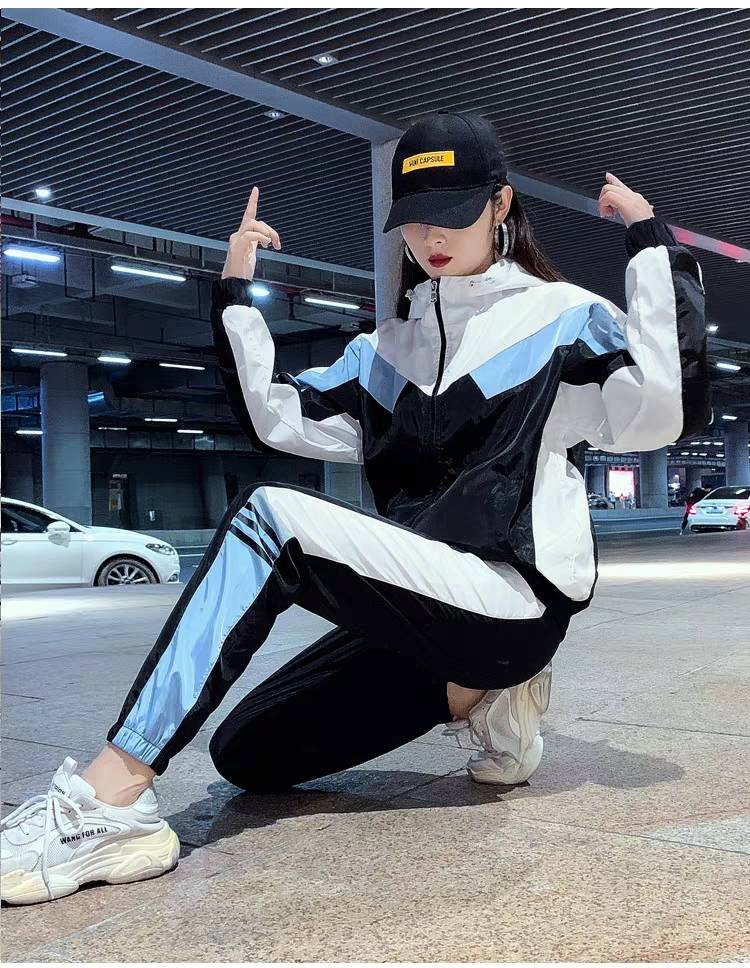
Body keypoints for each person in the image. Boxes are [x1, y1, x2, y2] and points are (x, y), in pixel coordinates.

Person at [0, 111, 711, 905]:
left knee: (273, 517)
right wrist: (235, 293)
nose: (431, 237)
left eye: (453, 213)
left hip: (513, 604)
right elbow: (276, 417)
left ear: (500, 205)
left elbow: (662, 411)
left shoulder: (563, 319)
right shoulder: (382, 353)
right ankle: (477, 696)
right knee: (248, 755)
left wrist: (652, 247)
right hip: (419, 607)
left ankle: (110, 799)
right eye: (416, 218)